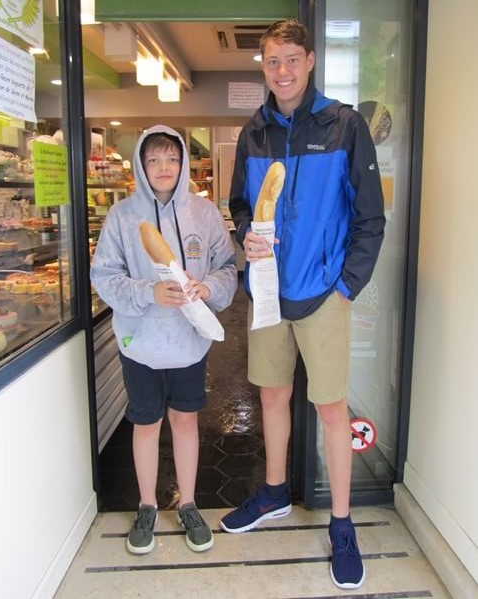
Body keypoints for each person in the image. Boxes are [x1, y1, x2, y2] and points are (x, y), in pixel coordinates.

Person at [221, 19, 385, 590]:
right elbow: (240, 206)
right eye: (272, 61)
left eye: (292, 59)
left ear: (310, 61)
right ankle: (273, 494)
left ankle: (342, 524)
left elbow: (371, 218)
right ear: (262, 66)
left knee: (331, 409)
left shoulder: (345, 125)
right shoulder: (254, 132)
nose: (282, 71)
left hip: (323, 295)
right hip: (267, 292)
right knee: (272, 394)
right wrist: (245, 233)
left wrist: (346, 287)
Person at [91, 125, 237, 555]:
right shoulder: (122, 216)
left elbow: (227, 266)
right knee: (146, 423)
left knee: (186, 420)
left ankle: (189, 503)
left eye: (171, 159)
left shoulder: (204, 214)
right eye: (153, 159)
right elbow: (104, 276)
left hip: (190, 340)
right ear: (140, 164)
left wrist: (207, 287)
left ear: (183, 163)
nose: (163, 167)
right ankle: (148, 505)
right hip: (140, 341)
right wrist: (147, 293)